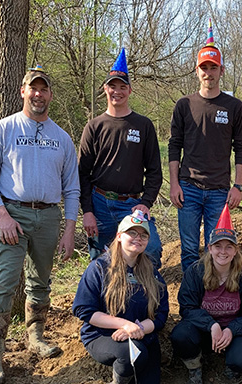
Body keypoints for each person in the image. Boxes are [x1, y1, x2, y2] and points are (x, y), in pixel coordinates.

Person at [0, 65, 80, 384]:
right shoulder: (5, 129)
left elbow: (72, 187)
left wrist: (69, 229)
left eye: (44, 89)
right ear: (23, 91)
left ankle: (35, 336)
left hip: (49, 216)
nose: (38, 94)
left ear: (50, 94)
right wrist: (1, 214)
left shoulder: (61, 138)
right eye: (32, 88)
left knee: (41, 281)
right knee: (4, 284)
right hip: (12, 216)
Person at [168, 22, 242, 279]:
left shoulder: (233, 106)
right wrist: (174, 184)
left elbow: (241, 147)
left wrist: (238, 185)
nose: (208, 72)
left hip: (219, 191)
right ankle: (190, 300)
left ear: (221, 70)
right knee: (190, 250)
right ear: (197, 71)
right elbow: (174, 145)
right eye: (204, 67)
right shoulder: (184, 105)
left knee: (216, 249)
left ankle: (213, 297)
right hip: (188, 189)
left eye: (213, 67)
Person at [71, 209, 170, 384]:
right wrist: (123, 324)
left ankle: (131, 375)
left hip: (142, 336)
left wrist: (138, 328)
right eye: (131, 233)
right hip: (103, 335)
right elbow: (83, 310)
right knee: (131, 354)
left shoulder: (151, 271)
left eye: (143, 235)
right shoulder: (99, 267)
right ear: (119, 236)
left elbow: (161, 315)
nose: (138, 238)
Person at [77, 47, 164, 268]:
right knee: (100, 262)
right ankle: (102, 301)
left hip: (132, 205)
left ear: (130, 90)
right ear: (105, 89)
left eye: (122, 87)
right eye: (112, 86)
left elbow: (154, 171)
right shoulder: (94, 126)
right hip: (99, 204)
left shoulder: (143, 125)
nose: (117, 91)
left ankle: (144, 296)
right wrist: (87, 211)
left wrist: (146, 203)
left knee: (151, 249)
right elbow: (82, 173)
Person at [170, 205, 242, 384]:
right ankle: (195, 367)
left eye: (229, 247)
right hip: (204, 330)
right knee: (180, 335)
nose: (223, 251)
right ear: (209, 248)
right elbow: (186, 308)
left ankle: (231, 361)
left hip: (235, 329)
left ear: (235, 250)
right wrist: (211, 325)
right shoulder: (195, 272)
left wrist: (232, 330)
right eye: (218, 246)